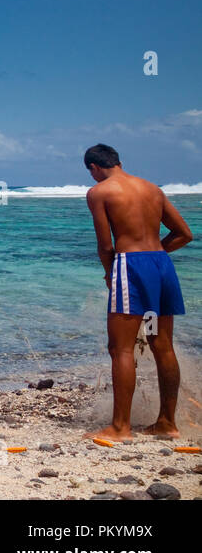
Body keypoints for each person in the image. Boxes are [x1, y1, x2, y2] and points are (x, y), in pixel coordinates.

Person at [83, 144, 192, 441]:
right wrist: (154, 254)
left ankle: (120, 428)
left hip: (130, 269)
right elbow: (185, 234)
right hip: (161, 267)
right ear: (118, 162)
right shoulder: (152, 189)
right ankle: (167, 424)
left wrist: (110, 273)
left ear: (94, 168)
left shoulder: (100, 192)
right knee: (161, 344)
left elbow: (106, 245)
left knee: (121, 348)